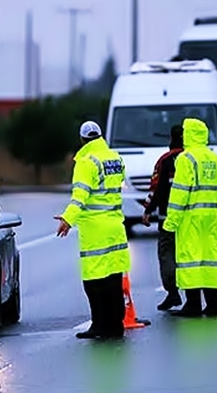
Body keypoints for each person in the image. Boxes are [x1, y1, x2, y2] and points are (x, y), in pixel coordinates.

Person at [54, 121, 131, 339]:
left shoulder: (86, 162)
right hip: (115, 226)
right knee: (114, 278)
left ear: (82, 139)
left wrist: (68, 219)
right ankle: (116, 326)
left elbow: (80, 196)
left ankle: (99, 326)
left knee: (94, 281)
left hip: (95, 230)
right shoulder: (115, 158)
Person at [163, 118, 217, 317]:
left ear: (189, 134)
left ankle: (193, 305)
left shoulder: (185, 159)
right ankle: (213, 305)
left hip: (191, 218)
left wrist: (170, 222)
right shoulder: (214, 158)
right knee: (211, 260)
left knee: (191, 260)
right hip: (214, 218)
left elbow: (179, 193)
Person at [141, 125, 184, 311]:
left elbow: (156, 189)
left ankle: (173, 293)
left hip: (168, 217)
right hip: (191, 218)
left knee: (167, 255)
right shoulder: (194, 159)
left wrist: (148, 210)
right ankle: (195, 297)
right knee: (190, 256)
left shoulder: (165, 161)